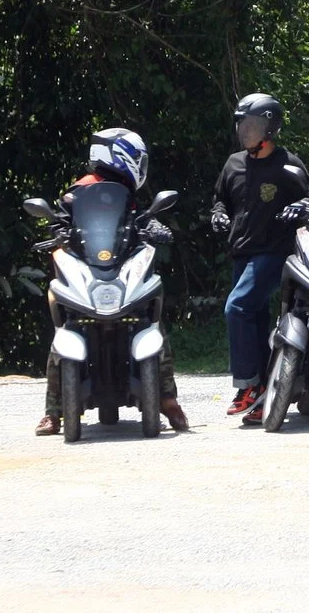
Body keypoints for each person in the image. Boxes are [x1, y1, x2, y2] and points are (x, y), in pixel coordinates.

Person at [36, 127, 190, 436]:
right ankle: (53, 411)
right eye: (137, 159)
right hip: (88, 273)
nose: (141, 167)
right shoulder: (78, 191)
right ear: (119, 156)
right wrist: (57, 230)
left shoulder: (128, 196)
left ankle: (167, 399)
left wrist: (155, 226)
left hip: (122, 273)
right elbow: (61, 221)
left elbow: (142, 221)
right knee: (65, 327)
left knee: (151, 321)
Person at [213, 93, 309, 425]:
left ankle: (246, 386)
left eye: (253, 125)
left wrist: (303, 206)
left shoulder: (288, 163)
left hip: (275, 253)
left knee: (237, 307)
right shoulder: (233, 164)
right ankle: (264, 393)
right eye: (242, 124)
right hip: (241, 253)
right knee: (255, 322)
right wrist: (217, 214)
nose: (246, 131)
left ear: (270, 128)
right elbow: (220, 200)